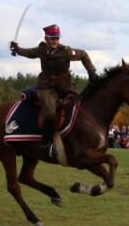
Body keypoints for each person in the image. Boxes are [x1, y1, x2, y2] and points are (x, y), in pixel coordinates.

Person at [9, 24, 99, 157]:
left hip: (65, 86)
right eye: (52, 38)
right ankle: (47, 143)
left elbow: (84, 55)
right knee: (50, 113)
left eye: (57, 38)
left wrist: (91, 71)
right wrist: (17, 49)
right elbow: (29, 53)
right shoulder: (41, 50)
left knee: (79, 105)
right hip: (46, 87)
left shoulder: (66, 51)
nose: (55, 41)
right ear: (46, 39)